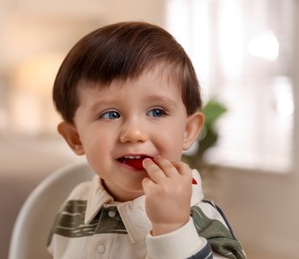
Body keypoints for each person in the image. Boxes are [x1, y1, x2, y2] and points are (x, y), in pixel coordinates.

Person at [47, 21, 246, 258]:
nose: (134, 133)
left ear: (188, 131)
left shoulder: (200, 218)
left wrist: (172, 228)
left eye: (157, 112)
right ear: (76, 138)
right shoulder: (73, 207)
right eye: (110, 114)